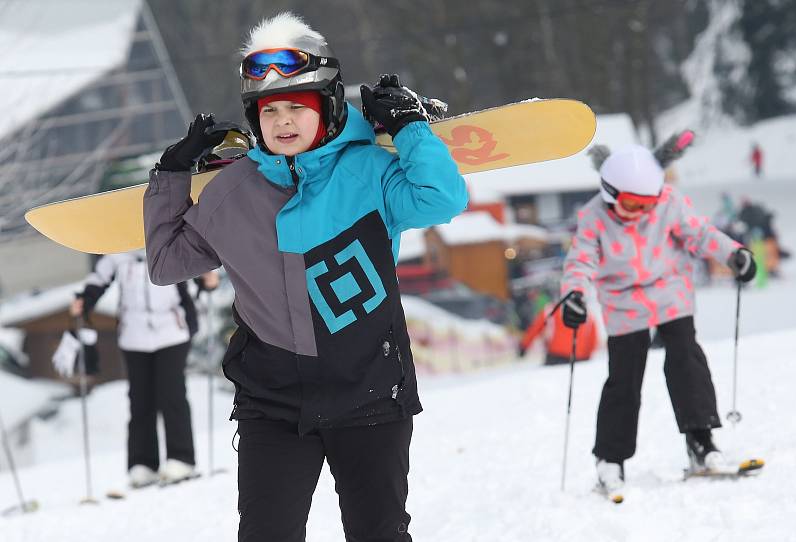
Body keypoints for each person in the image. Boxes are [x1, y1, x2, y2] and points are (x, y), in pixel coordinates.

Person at [142, 12, 467, 542]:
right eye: (270, 111)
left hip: (370, 392)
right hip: (272, 401)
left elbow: (442, 197)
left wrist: (410, 128)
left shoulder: (369, 172)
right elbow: (165, 263)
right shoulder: (233, 193)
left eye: (298, 107)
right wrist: (173, 174)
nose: (283, 121)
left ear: (328, 108)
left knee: (378, 532)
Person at [562, 132, 757, 495]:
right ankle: (610, 459)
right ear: (610, 194)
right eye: (633, 205)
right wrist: (574, 295)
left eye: (648, 203)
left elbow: (699, 234)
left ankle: (701, 442)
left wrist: (733, 254)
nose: (642, 212)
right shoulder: (593, 217)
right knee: (624, 379)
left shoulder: (667, 203)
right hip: (623, 302)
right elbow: (581, 259)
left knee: (687, 359)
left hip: (670, 291)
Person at [70, 250, 218, 488]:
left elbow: (191, 259)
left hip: (172, 330)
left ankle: (181, 459)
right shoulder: (117, 249)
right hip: (133, 335)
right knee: (140, 400)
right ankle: (143, 464)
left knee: (172, 395)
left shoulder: (165, 239)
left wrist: (206, 279)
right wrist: (84, 300)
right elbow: (99, 278)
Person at [518, 300, 598, 365]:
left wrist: (524, 346)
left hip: (555, 357)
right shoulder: (587, 315)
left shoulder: (551, 310)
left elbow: (536, 328)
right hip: (578, 359)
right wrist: (587, 356)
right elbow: (593, 339)